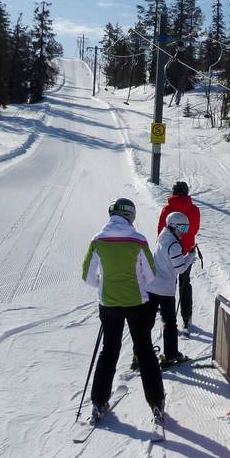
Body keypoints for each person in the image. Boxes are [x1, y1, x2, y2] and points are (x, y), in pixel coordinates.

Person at [81, 197, 165, 427]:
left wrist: (104, 284)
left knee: (109, 350)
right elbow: (151, 275)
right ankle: (156, 402)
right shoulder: (138, 240)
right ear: (130, 216)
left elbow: (88, 276)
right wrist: (137, 283)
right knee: (144, 350)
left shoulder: (97, 240)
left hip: (109, 304)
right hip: (137, 303)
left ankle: (99, 402)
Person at [147, 212, 197, 368]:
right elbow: (180, 268)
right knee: (169, 323)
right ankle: (171, 355)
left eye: (186, 229)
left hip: (151, 286)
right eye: (182, 228)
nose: (184, 232)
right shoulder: (174, 245)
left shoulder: (162, 236)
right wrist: (190, 256)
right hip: (165, 291)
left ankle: (140, 354)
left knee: (146, 322)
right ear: (174, 226)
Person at [157, 181, 201, 331]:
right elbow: (194, 230)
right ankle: (186, 318)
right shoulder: (194, 210)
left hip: (169, 250)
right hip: (187, 251)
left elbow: (161, 230)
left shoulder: (168, 209)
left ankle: (167, 316)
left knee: (169, 282)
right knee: (185, 283)